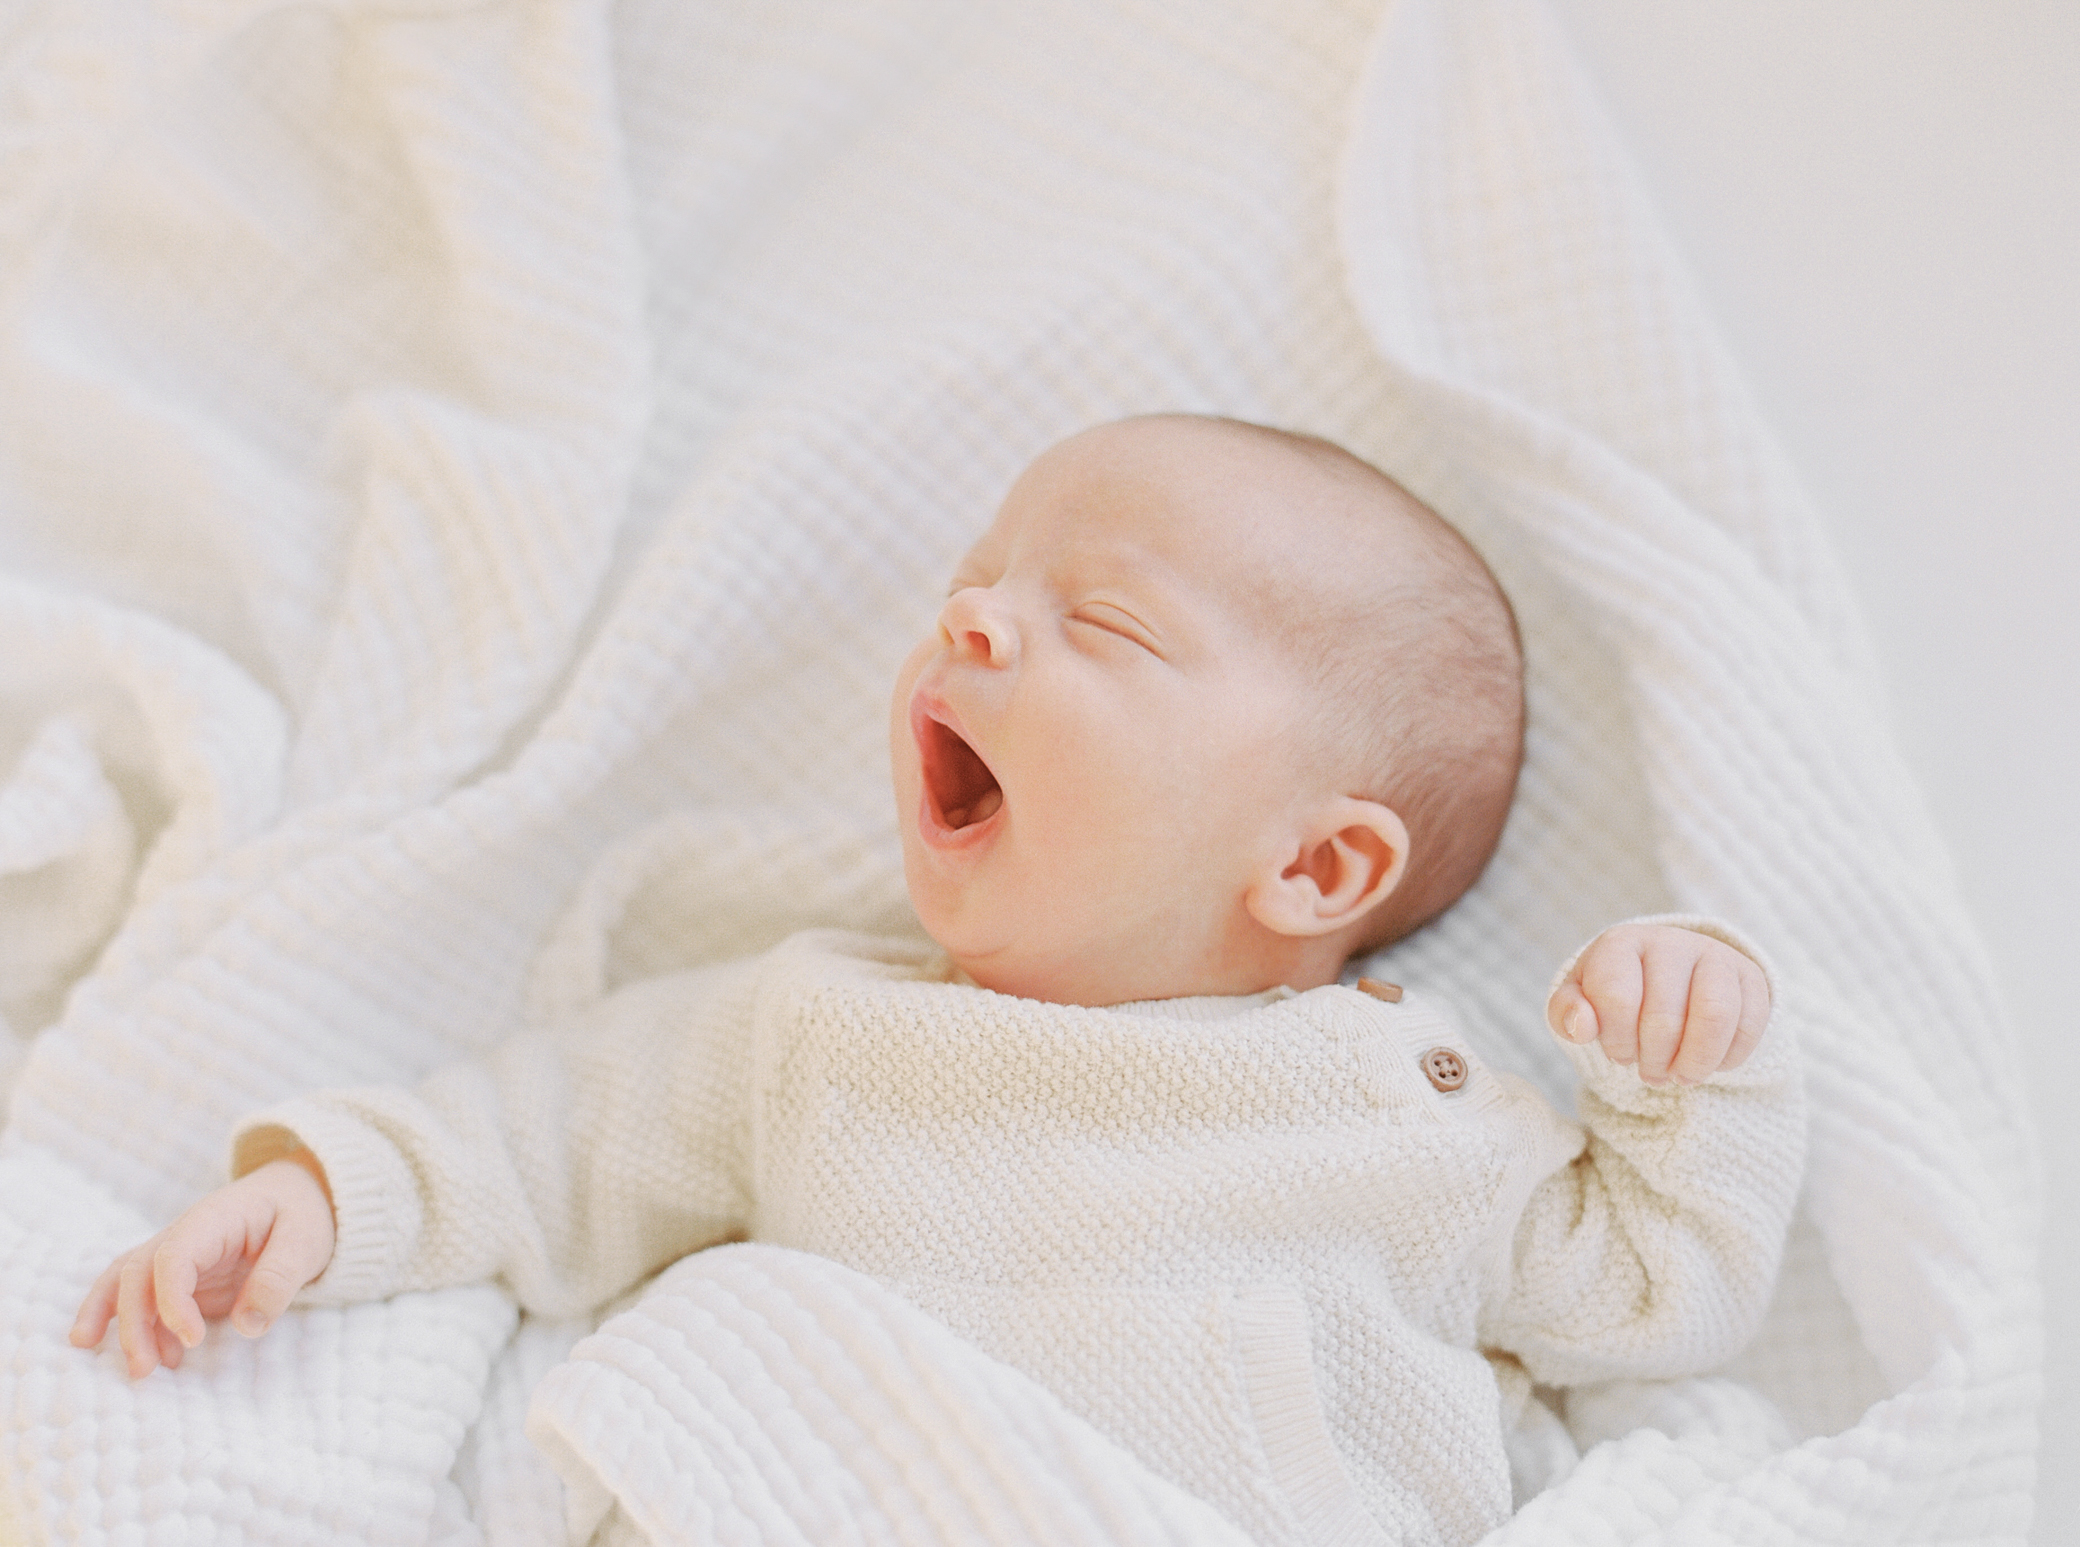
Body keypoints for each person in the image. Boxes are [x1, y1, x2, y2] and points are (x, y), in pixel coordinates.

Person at [72, 414, 1801, 1545]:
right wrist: (326, 1196)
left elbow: (1660, 1291)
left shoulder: (1403, 1118)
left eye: (1103, 624)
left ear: (1317, 868)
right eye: (978, 590)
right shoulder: (817, 1032)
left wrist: (1687, 1061)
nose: (975, 622)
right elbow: (550, 1134)